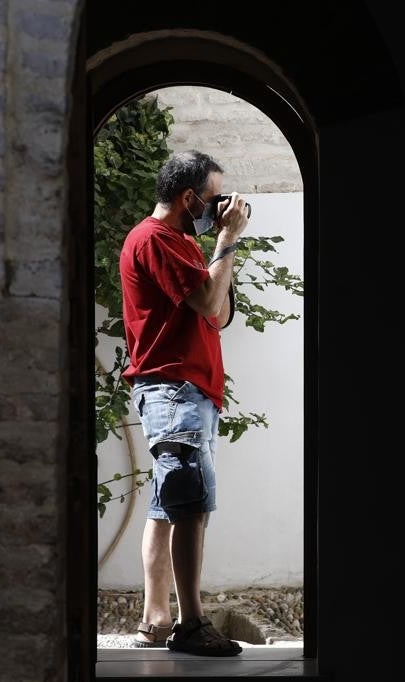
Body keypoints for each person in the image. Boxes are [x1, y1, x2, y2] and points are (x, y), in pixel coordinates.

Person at [118, 150, 249, 655]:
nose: (221, 208)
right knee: (191, 501)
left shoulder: (183, 242)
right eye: (215, 198)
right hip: (174, 387)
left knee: (166, 506)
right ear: (189, 197)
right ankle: (191, 625)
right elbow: (209, 303)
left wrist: (219, 248)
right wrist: (228, 239)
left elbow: (219, 315)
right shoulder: (155, 239)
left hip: (188, 389)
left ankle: (155, 620)